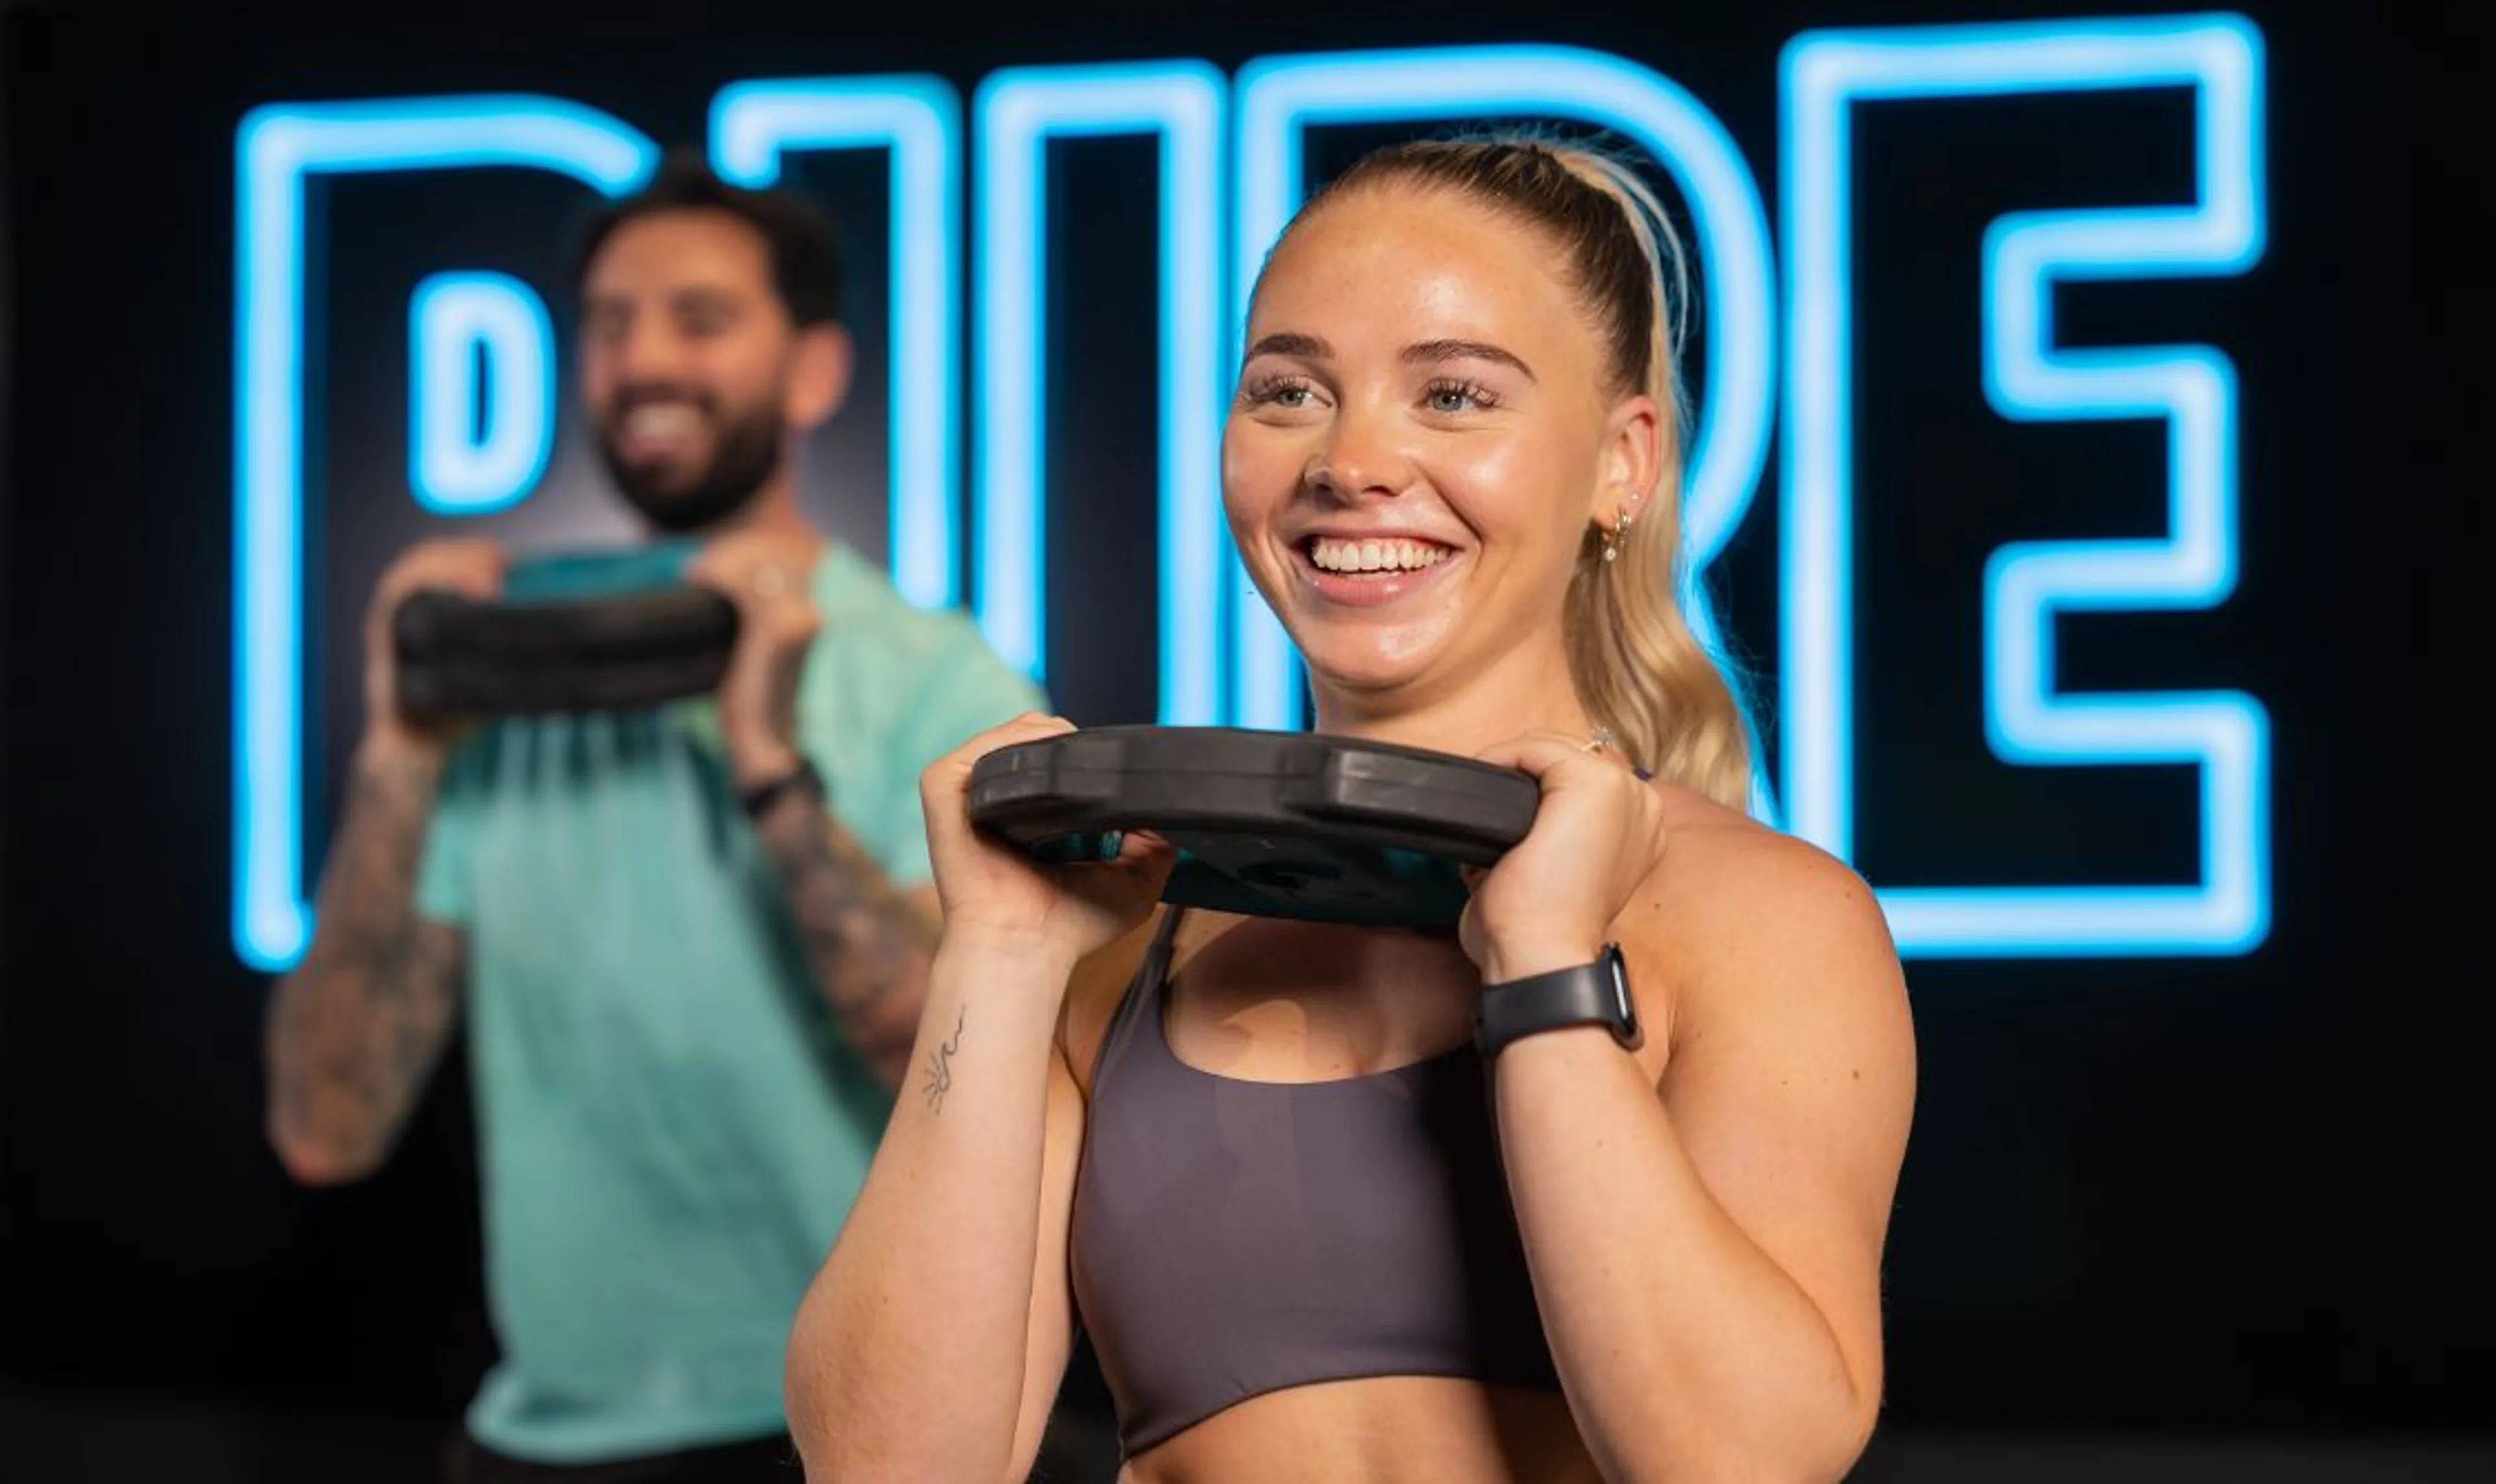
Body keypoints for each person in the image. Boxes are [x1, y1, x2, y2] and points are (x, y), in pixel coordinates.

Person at [785, 135, 1919, 1483]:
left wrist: (1545, 966)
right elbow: (888, 1466)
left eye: (1453, 394)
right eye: (1290, 391)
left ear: (1625, 461)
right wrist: (998, 953)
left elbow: (1742, 1461)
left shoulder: (1764, 919)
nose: (1352, 459)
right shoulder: (1115, 929)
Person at [264, 154, 1046, 1482]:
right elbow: (325, 1126)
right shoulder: (500, 675)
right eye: (611, 325)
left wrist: (769, 765)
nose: (643, 362)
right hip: (545, 1441)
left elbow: (986, 1084)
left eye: (701, 318)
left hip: (850, 1430)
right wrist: (399, 749)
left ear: (814, 371)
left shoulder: (940, 680)